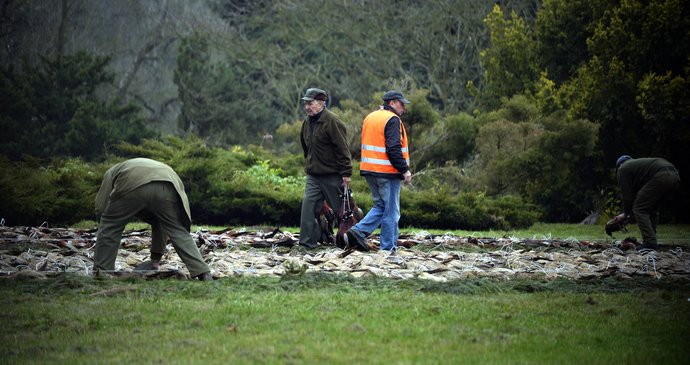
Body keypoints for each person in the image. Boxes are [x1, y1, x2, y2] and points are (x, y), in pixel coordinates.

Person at [94, 158, 213, 280]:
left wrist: (104, 223)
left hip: (132, 185)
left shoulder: (112, 171)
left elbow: (101, 205)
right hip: (168, 184)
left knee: (111, 226)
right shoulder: (156, 165)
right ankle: (202, 271)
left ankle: (103, 272)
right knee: (176, 229)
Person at [345, 90, 412, 252]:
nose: (404, 107)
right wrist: (404, 170)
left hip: (370, 171)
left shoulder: (371, 117)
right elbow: (393, 148)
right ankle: (388, 249)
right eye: (401, 103)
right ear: (392, 102)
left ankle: (357, 231)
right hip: (387, 172)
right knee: (391, 212)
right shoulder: (392, 119)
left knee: (381, 206)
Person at [299, 87, 353, 249]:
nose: (307, 107)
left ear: (322, 103)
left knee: (343, 212)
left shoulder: (333, 121)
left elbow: (343, 149)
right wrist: (309, 163)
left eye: (311, 103)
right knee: (308, 210)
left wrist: (346, 173)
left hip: (333, 175)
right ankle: (306, 244)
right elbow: (305, 147)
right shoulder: (306, 122)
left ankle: (353, 239)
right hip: (314, 176)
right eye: (306, 103)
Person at [612, 155, 681, 250]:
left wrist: (626, 214)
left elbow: (627, 197)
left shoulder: (622, 169)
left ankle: (650, 243)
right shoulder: (639, 167)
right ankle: (651, 238)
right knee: (652, 208)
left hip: (661, 176)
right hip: (675, 176)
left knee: (639, 209)